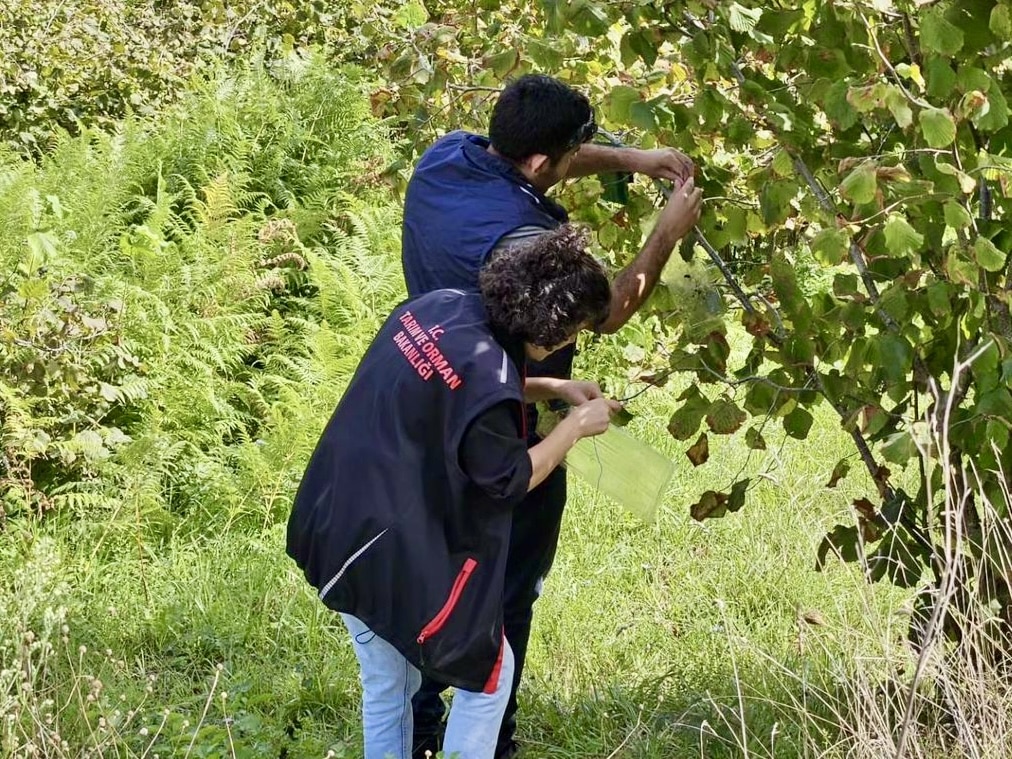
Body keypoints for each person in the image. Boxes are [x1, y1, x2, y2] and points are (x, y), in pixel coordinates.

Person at [402, 74, 703, 758]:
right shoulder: (530, 244)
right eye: (575, 152)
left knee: (435, 575)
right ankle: (487, 739)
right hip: (511, 427)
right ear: (543, 163)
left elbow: (539, 164)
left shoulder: (446, 156)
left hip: (430, 401)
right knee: (505, 594)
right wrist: (666, 230)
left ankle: (416, 726)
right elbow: (613, 307)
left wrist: (634, 159)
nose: (578, 160)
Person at [286, 226, 622, 759]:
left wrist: (549, 388)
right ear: (553, 327)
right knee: (489, 677)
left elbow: (455, 385)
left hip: (335, 522)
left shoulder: (435, 307)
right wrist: (574, 426)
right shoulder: (491, 380)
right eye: (576, 329)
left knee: (388, 683)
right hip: (387, 552)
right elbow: (509, 477)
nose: (574, 342)